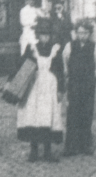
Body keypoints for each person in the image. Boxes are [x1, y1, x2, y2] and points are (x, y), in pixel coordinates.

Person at [16, 17, 65, 162]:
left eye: (47, 35)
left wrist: (60, 89)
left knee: (48, 115)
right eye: (42, 34)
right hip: (34, 86)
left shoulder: (55, 49)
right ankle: (34, 150)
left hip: (49, 86)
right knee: (34, 115)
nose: (45, 37)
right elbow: (21, 66)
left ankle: (48, 151)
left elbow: (60, 70)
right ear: (38, 35)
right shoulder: (31, 48)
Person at [63, 20, 96, 156]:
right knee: (72, 113)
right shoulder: (70, 46)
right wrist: (67, 75)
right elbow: (65, 61)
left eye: (85, 33)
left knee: (86, 113)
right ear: (75, 33)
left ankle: (85, 144)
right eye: (79, 33)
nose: (82, 36)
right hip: (74, 83)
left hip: (88, 84)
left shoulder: (94, 47)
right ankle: (71, 146)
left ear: (89, 33)